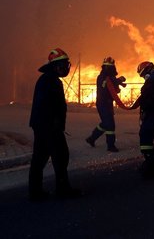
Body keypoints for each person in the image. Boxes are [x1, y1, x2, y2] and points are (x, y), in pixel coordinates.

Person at [28, 48, 81, 201]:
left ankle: (35, 191)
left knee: (40, 157)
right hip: (49, 126)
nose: (66, 68)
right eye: (63, 64)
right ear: (55, 65)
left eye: (66, 64)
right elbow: (51, 105)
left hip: (42, 125)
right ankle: (63, 189)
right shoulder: (51, 81)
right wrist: (55, 124)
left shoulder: (47, 79)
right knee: (61, 155)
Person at [85, 57, 126, 152]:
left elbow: (114, 90)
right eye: (109, 67)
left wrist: (118, 85)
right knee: (110, 125)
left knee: (105, 123)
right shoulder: (102, 77)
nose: (111, 69)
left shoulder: (111, 77)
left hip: (108, 103)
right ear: (105, 67)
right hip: (102, 103)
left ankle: (91, 138)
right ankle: (110, 146)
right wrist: (118, 81)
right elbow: (106, 84)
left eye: (112, 67)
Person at [136, 61, 154, 179]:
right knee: (151, 139)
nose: (143, 77)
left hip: (153, 114)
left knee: (146, 138)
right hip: (153, 114)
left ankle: (149, 165)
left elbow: (151, 99)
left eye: (143, 74)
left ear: (148, 70)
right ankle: (151, 162)